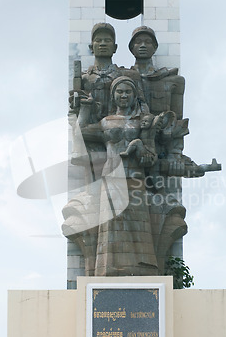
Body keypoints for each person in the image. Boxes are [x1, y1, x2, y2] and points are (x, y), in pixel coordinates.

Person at [63, 76, 160, 276]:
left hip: (135, 178)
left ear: (134, 95)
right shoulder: (106, 122)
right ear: (113, 95)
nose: (123, 95)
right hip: (111, 178)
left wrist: (140, 146)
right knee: (112, 223)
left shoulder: (142, 124)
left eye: (128, 92)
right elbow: (80, 133)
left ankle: (143, 269)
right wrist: (84, 109)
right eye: (119, 91)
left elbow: (151, 158)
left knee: (136, 225)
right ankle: (109, 269)